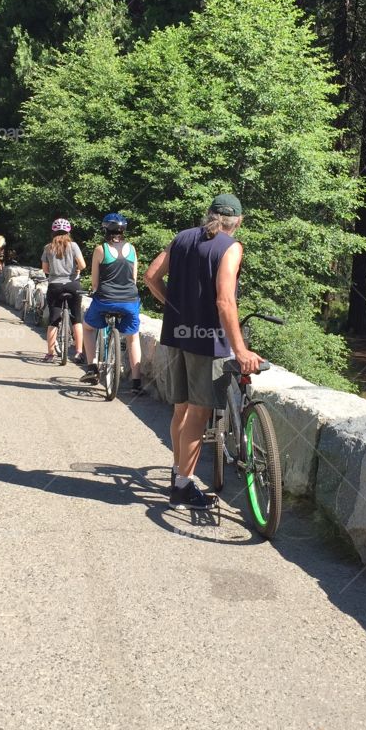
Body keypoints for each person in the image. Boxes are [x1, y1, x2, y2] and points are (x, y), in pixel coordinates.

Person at [144, 194, 263, 507]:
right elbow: (224, 300)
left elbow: (151, 276)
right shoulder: (230, 248)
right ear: (238, 222)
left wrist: (174, 307)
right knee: (198, 413)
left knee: (181, 409)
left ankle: (177, 471)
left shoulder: (182, 238)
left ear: (208, 215)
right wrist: (240, 350)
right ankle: (183, 487)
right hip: (207, 342)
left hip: (175, 336)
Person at [82, 213, 143, 394]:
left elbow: (94, 282)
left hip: (105, 300)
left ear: (105, 229)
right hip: (130, 300)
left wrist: (94, 290)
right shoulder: (132, 249)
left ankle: (92, 367)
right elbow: (133, 278)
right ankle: (136, 383)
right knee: (133, 337)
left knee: (87, 328)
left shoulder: (101, 250)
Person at [41, 219, 87, 362]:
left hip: (55, 285)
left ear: (53, 232)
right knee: (77, 319)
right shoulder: (73, 246)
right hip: (73, 284)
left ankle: (50, 354)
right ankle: (79, 352)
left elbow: (45, 269)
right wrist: (76, 269)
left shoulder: (48, 247)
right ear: (68, 232)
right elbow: (83, 265)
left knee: (53, 320)